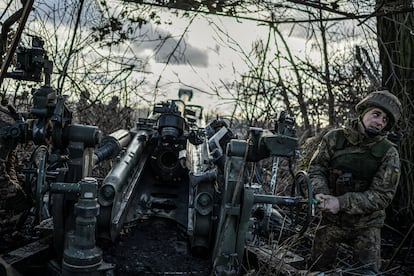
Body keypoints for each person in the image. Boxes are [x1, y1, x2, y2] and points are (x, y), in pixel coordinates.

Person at [307, 89, 402, 275]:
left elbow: (382, 196)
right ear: (363, 112)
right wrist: (321, 192)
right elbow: (316, 169)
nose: (379, 122)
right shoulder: (334, 138)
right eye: (376, 114)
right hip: (331, 221)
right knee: (317, 271)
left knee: (366, 273)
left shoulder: (388, 152)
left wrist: (340, 203)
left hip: (366, 226)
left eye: (384, 120)